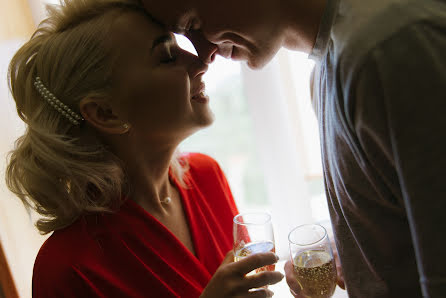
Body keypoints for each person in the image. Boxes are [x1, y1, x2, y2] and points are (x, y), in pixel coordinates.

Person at [141, 0, 446, 297]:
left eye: (194, 23)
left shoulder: (389, 47)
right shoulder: (330, 69)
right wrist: (363, 258)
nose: (205, 54)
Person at [5, 0, 285, 297]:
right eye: (166, 56)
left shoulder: (207, 176)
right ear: (105, 113)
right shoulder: (68, 269)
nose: (201, 62)